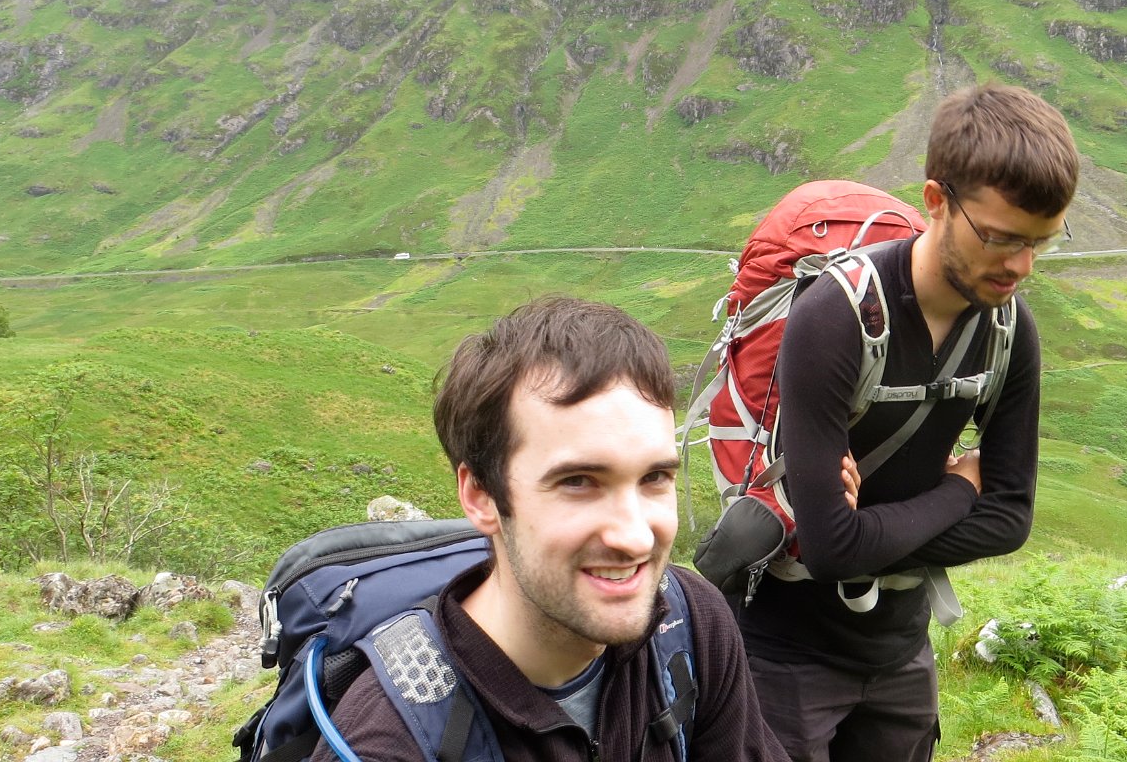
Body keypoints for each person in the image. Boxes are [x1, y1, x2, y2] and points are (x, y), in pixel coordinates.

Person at [735, 84, 1080, 762]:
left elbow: (1011, 520)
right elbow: (830, 551)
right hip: (783, 654)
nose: (1020, 266)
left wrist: (862, 534)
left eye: (1041, 242)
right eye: (1000, 237)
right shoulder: (836, 316)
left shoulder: (1010, 330)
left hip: (900, 649)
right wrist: (961, 489)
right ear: (936, 201)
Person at [314, 297, 787, 762]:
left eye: (655, 477)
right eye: (578, 481)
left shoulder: (691, 624)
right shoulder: (387, 745)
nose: (636, 538)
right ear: (481, 495)